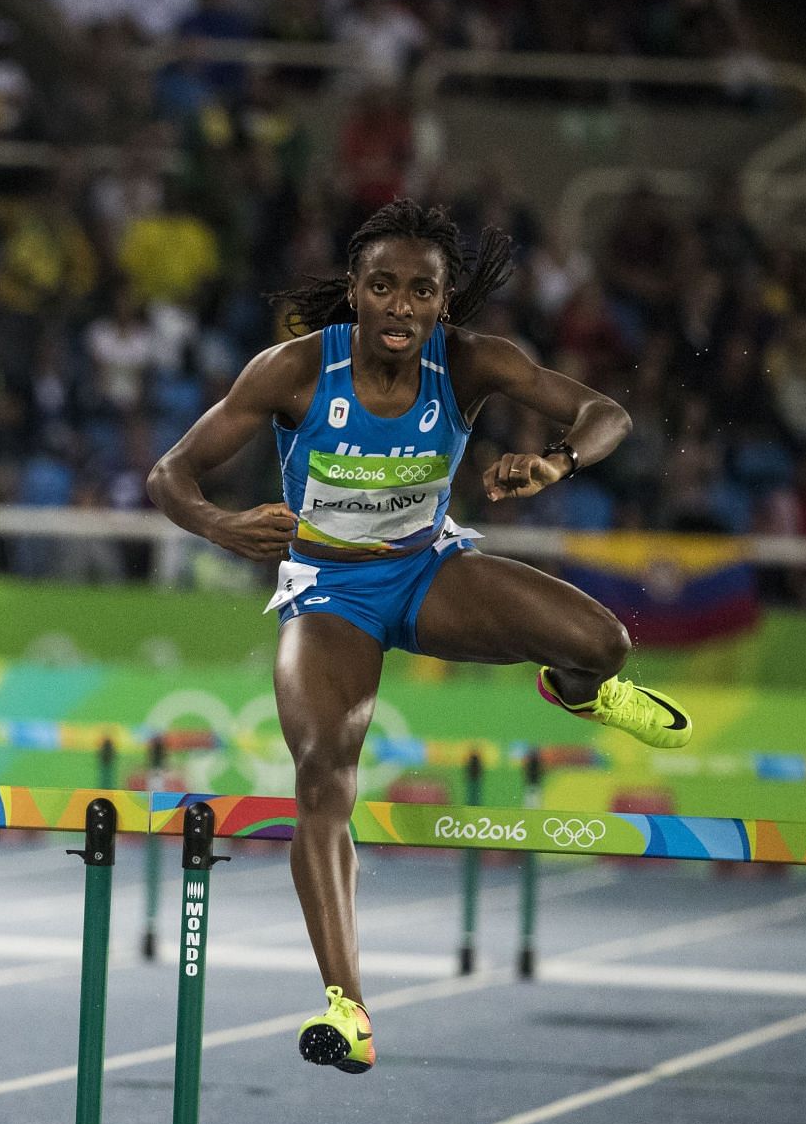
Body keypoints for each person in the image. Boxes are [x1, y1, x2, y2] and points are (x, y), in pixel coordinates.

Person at [147, 200, 692, 1075]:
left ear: (443, 305)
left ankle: (578, 689)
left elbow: (606, 412)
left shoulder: (472, 362)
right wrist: (217, 525)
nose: (401, 306)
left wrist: (556, 459)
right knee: (323, 769)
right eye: (384, 287)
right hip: (330, 590)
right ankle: (347, 1007)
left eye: (422, 291)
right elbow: (170, 471)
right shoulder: (292, 371)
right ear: (355, 294)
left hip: (427, 570)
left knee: (605, 644)